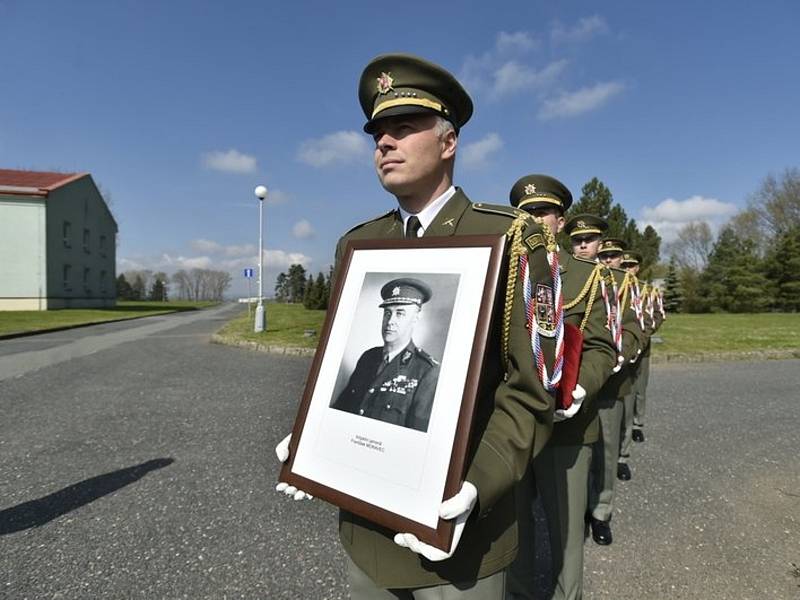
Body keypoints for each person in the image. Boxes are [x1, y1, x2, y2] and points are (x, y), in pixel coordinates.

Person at [276, 53, 557, 599]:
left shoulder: (513, 239)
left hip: (460, 531)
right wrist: (316, 438)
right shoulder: (358, 244)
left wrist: (480, 485)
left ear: (448, 142)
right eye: (378, 133)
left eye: (403, 128)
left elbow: (531, 388)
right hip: (366, 526)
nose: (384, 143)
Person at [506, 186, 617, 600]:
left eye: (544, 211)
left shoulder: (590, 276)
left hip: (567, 425)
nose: (535, 219)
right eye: (526, 212)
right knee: (512, 529)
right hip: (513, 424)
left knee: (566, 533)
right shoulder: (503, 271)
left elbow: (604, 346)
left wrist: (581, 388)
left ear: (561, 221)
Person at [586, 240, 647, 545]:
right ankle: (579, 502)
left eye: (611, 255)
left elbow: (637, 326)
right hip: (576, 381)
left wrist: (615, 356)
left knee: (606, 450)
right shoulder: (576, 277)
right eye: (604, 255)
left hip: (610, 379)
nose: (607, 259)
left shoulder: (625, 284)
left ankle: (601, 510)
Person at [332, 277, 440, 432]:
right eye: (387, 313)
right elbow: (340, 410)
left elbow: (416, 437)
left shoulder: (427, 371)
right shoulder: (368, 358)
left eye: (400, 313)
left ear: (416, 318)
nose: (390, 321)